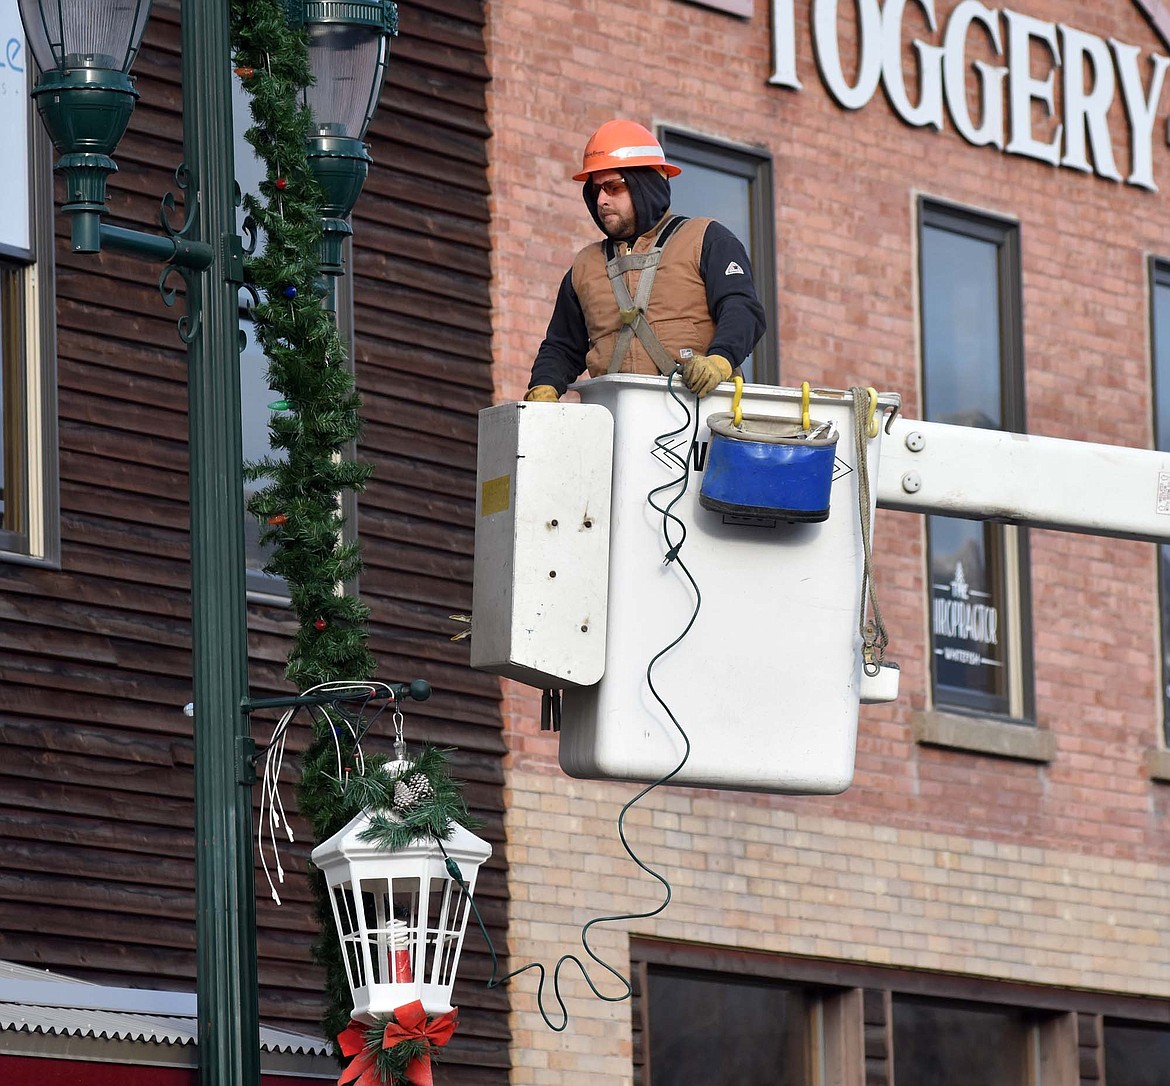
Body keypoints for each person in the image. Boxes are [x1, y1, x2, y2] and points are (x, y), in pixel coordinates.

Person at [524, 119, 766, 402]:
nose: (601, 199)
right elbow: (561, 346)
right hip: (617, 426)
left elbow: (742, 308)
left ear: (645, 185)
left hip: (702, 423)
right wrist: (544, 387)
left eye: (614, 187)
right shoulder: (584, 268)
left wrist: (720, 360)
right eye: (596, 189)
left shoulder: (705, 239)